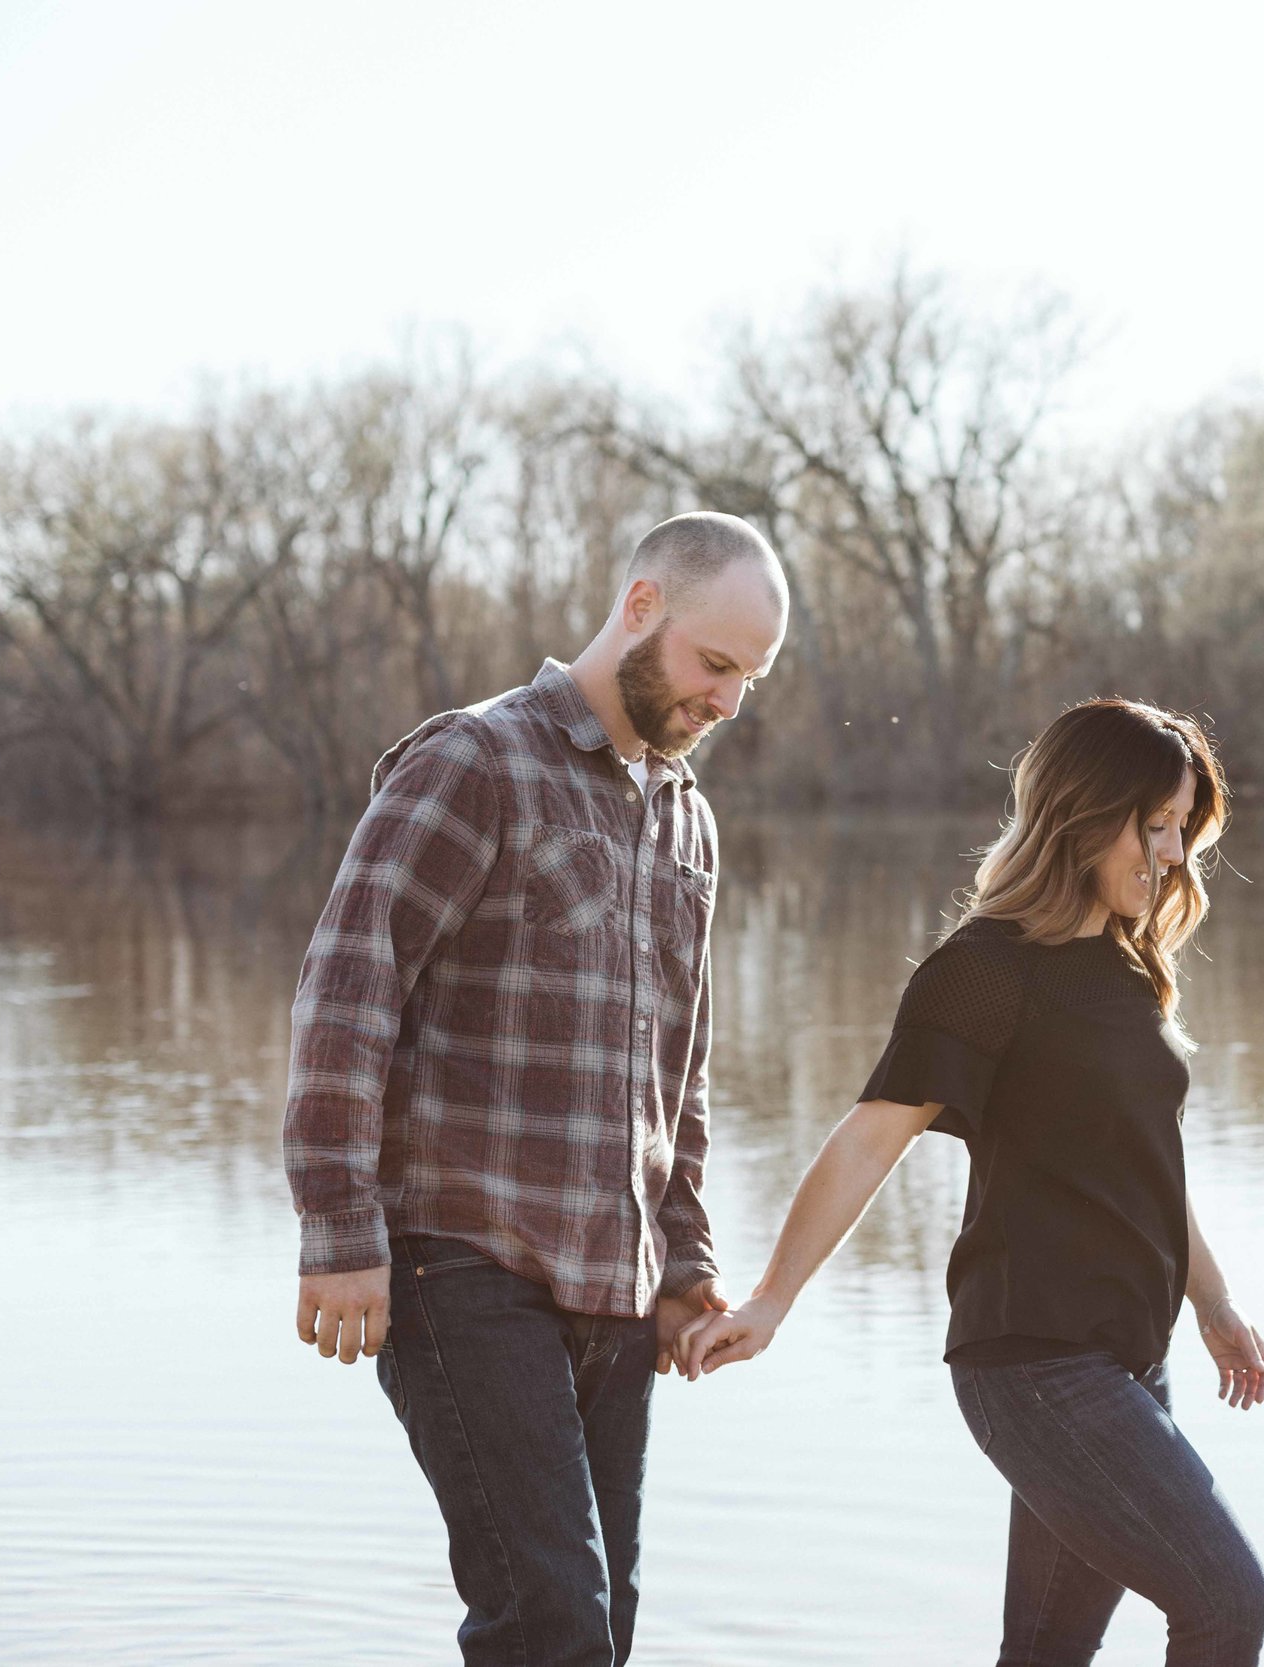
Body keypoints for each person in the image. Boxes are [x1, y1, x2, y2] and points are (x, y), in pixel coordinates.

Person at [281, 511, 789, 1666]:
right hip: (458, 1259)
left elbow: (680, 1060)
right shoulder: (475, 759)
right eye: (717, 665)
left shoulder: (688, 819)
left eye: (749, 679)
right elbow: (346, 986)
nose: (727, 702)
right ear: (643, 607)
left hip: (615, 1279)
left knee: (600, 1622)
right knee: (546, 1618)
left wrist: (687, 1260)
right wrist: (336, 1226)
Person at [678, 697, 1264, 1667]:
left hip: (1128, 1354)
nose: (1170, 850)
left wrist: (1213, 1301)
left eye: (1180, 824)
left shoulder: (1127, 967)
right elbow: (871, 1136)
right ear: (1083, 813)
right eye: (1153, 821)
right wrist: (774, 1296)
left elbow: (1144, 1162)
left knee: (1045, 1649)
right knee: (1225, 1599)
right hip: (1034, 1365)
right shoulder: (985, 968)